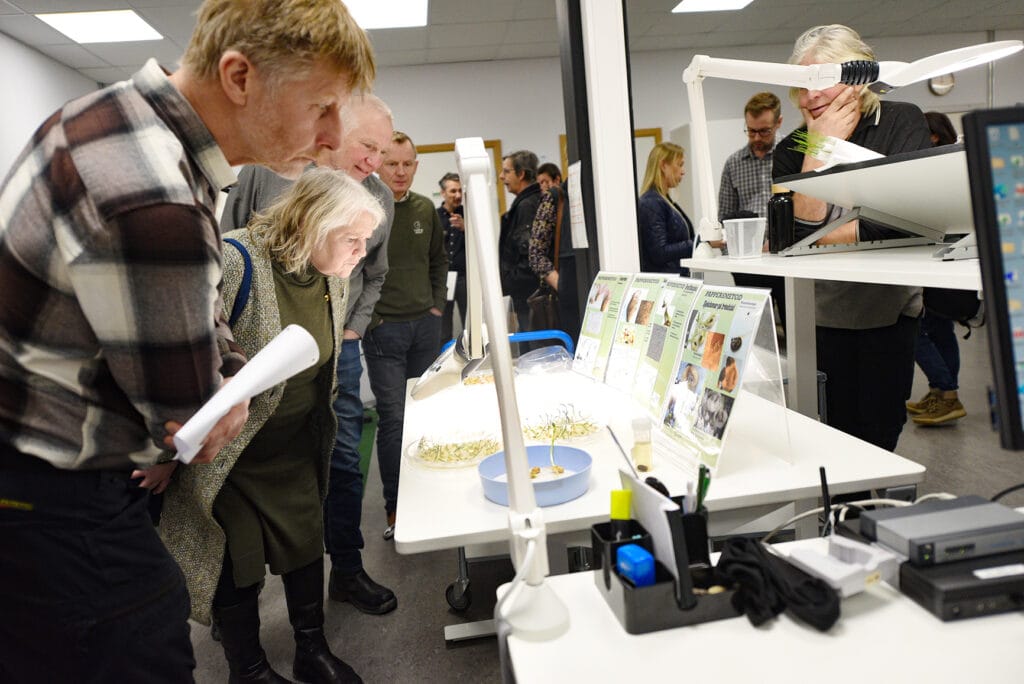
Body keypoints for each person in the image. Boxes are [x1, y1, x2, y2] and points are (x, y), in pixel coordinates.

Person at [0, 1, 373, 680]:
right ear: (239, 77)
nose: (333, 138)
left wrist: (222, 366)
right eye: (321, 107)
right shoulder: (154, 195)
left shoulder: (112, 121)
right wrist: (222, 391)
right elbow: (194, 422)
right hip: (62, 500)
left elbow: (203, 314)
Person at [157, 168, 383, 683]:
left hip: (294, 446)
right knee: (236, 560)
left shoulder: (331, 276)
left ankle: (312, 650)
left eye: (366, 240)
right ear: (314, 224)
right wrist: (164, 454)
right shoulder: (237, 259)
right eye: (352, 239)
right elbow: (182, 351)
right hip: (233, 454)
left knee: (305, 543)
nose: (361, 252)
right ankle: (249, 669)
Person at [222, 94, 398, 616]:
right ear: (336, 131)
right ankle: (236, 595)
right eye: (367, 146)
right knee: (245, 462)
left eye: (382, 151)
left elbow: (375, 272)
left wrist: (352, 327)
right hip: (254, 347)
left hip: (332, 344)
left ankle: (346, 568)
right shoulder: (269, 171)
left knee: (339, 460)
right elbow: (226, 250)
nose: (374, 161)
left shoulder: (379, 196)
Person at [772, 24, 932, 450]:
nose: (810, 97)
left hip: (889, 310)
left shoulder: (899, 120)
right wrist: (818, 148)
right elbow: (789, 237)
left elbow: (908, 220)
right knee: (830, 427)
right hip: (820, 314)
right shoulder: (793, 148)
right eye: (802, 86)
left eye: (821, 80)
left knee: (882, 427)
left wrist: (820, 236)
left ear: (857, 77)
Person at [370, 131, 448, 540]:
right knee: (394, 419)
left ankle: (430, 497)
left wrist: (437, 304)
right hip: (384, 331)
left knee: (426, 415)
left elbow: (439, 259)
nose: (400, 172)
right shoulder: (366, 208)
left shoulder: (424, 209)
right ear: (378, 165)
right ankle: (396, 507)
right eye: (392, 164)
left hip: (424, 326)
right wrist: (370, 320)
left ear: (416, 166)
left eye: (406, 164)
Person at [907, 111, 968, 426]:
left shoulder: (939, 166)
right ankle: (942, 394)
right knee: (940, 328)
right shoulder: (951, 162)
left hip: (940, 256)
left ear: (932, 136)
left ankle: (947, 391)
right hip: (945, 256)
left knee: (917, 330)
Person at [719, 91, 788, 329]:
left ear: (778, 122)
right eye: (751, 131)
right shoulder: (733, 163)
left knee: (795, 330)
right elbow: (725, 215)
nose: (757, 137)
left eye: (764, 131)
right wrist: (732, 253)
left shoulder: (792, 155)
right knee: (753, 333)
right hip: (748, 264)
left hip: (786, 261)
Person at [500, 150, 544, 336]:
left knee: (533, 345)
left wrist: (508, 281)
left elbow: (529, 258)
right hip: (526, 295)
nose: (501, 177)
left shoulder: (527, 206)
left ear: (521, 174)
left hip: (528, 297)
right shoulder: (526, 202)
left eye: (506, 171)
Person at [638, 141, 696, 274]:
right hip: (666, 281)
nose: (683, 171)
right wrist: (701, 243)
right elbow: (660, 253)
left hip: (674, 278)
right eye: (680, 165)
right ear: (664, 165)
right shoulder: (651, 203)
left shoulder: (664, 200)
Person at [438, 172, 466, 346]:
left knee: (471, 324)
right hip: (442, 279)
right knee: (442, 327)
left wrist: (465, 228)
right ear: (443, 193)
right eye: (453, 191)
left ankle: (473, 358)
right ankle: (443, 359)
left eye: (460, 191)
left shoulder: (470, 214)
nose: (457, 195)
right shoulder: (434, 216)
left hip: (465, 278)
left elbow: (482, 243)